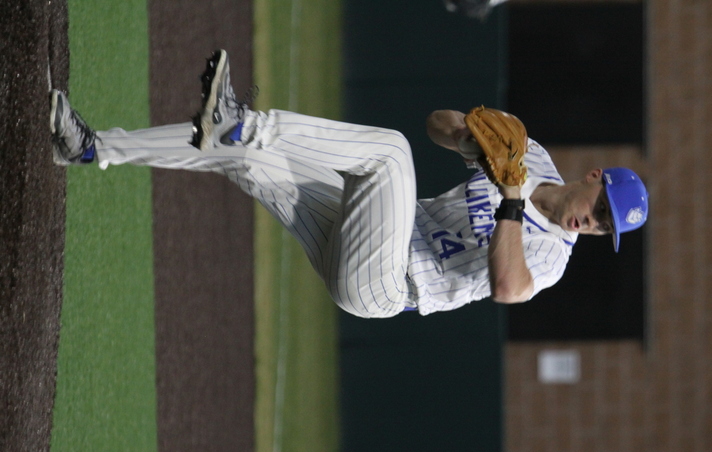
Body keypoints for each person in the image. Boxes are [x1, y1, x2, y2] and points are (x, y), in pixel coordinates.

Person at [49, 49, 648, 319]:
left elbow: (508, 288)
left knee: (388, 153)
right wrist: (467, 136)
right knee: (243, 162)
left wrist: (512, 202)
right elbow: (435, 125)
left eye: (604, 227)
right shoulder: (533, 156)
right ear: (594, 178)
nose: (593, 223)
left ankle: (243, 123)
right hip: (364, 227)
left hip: (388, 285)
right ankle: (92, 147)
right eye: (602, 208)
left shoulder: (551, 258)